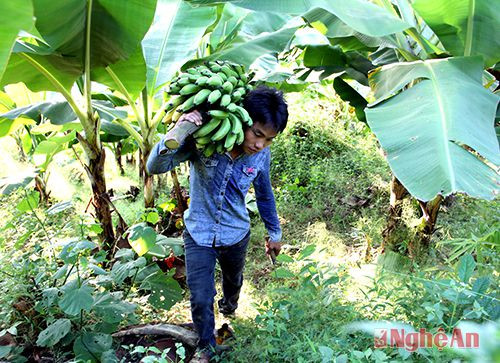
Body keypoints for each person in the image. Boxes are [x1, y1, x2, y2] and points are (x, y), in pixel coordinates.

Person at [147, 85, 288, 361]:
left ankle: (230, 305)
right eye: (257, 134)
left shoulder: (260, 155)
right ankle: (206, 347)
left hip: (236, 234)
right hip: (198, 233)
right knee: (200, 297)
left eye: (269, 139)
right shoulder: (206, 141)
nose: (260, 144)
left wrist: (274, 232)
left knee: (233, 282)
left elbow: (264, 193)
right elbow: (155, 167)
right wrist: (180, 130)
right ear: (243, 120)